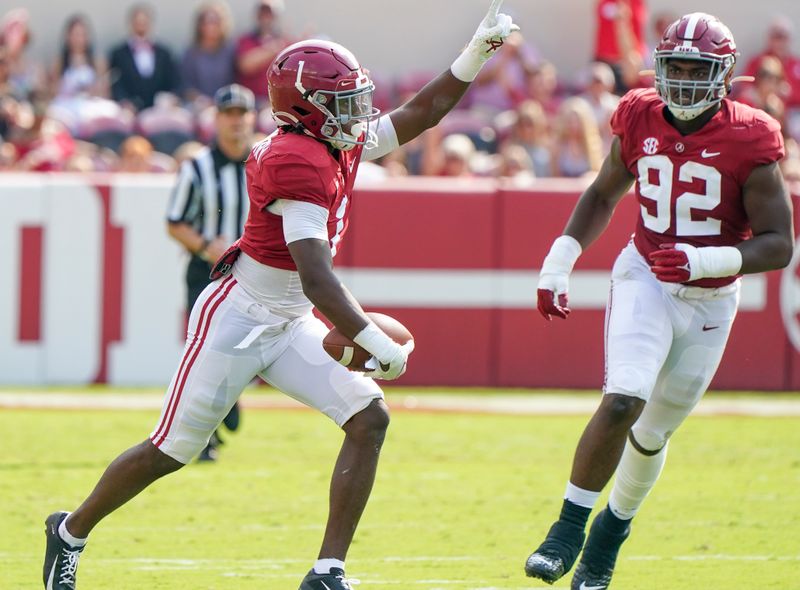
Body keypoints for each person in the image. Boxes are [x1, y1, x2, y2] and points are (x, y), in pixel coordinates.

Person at [42, 3, 518, 589]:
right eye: (342, 101)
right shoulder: (294, 159)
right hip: (238, 317)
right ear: (305, 109)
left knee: (369, 418)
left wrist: (477, 52)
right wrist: (375, 342)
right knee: (170, 450)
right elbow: (316, 275)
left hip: (290, 320)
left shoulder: (329, 139)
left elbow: (419, 113)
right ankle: (69, 530)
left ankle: (327, 570)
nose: (356, 113)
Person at [524, 13, 794, 590]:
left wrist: (708, 261)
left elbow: (779, 245)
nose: (686, 81)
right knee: (624, 398)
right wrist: (559, 260)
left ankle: (609, 536)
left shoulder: (751, 135)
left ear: (723, 76)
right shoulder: (640, 113)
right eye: (677, 68)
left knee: (653, 434)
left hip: (711, 298)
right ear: (660, 68)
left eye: (700, 70)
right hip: (644, 273)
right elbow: (602, 193)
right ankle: (568, 528)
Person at [165, 83, 257, 462]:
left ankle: (227, 405)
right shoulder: (197, 168)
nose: (235, 122)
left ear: (252, 118)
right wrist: (207, 246)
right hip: (207, 273)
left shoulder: (264, 163)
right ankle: (204, 437)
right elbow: (174, 222)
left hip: (252, 276)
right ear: (217, 120)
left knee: (238, 353)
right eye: (228, 114)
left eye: (241, 114)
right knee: (205, 353)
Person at [108, 3, 179, 111]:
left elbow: (174, 80)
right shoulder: (118, 53)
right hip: (129, 109)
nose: (141, 26)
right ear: (131, 24)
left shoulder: (164, 53)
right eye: (137, 22)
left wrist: (171, 98)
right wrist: (123, 101)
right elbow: (115, 83)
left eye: (144, 22)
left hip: (160, 109)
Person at [235, 0, 292, 104]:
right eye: (262, 12)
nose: (265, 16)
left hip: (277, 101)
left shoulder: (287, 42)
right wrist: (274, 48)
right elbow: (246, 66)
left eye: (269, 13)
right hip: (249, 101)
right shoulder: (245, 40)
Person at [181, 2, 236, 104]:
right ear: (200, 25)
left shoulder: (231, 51)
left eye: (217, 21)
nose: (212, 26)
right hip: (198, 106)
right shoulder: (191, 53)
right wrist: (200, 99)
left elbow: (236, 81)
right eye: (208, 21)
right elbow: (185, 85)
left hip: (228, 105)